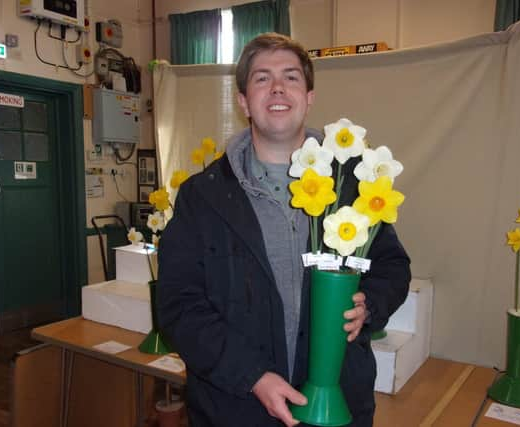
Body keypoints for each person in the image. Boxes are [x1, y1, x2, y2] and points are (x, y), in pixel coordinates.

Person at [157, 33, 411, 427]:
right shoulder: (201, 198)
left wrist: (370, 304)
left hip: (337, 407)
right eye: (261, 78)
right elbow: (179, 307)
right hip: (235, 409)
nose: (277, 87)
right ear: (243, 100)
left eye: (291, 77)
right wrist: (251, 376)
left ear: (309, 96)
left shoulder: (352, 187)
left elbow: (392, 266)